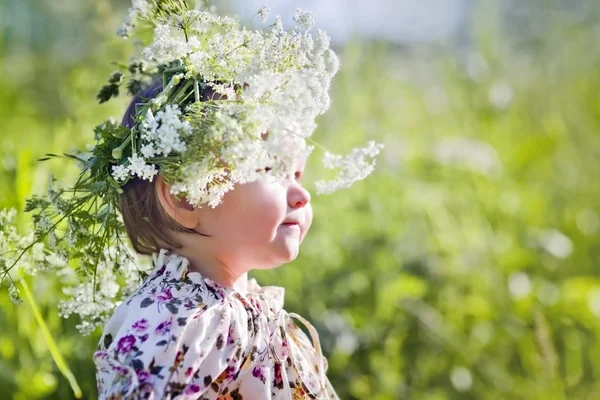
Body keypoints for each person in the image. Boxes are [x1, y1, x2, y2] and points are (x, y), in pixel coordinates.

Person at [93, 82, 339, 399]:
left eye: (296, 174)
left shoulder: (232, 306)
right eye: (271, 169)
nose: (302, 195)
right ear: (187, 197)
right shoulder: (185, 324)